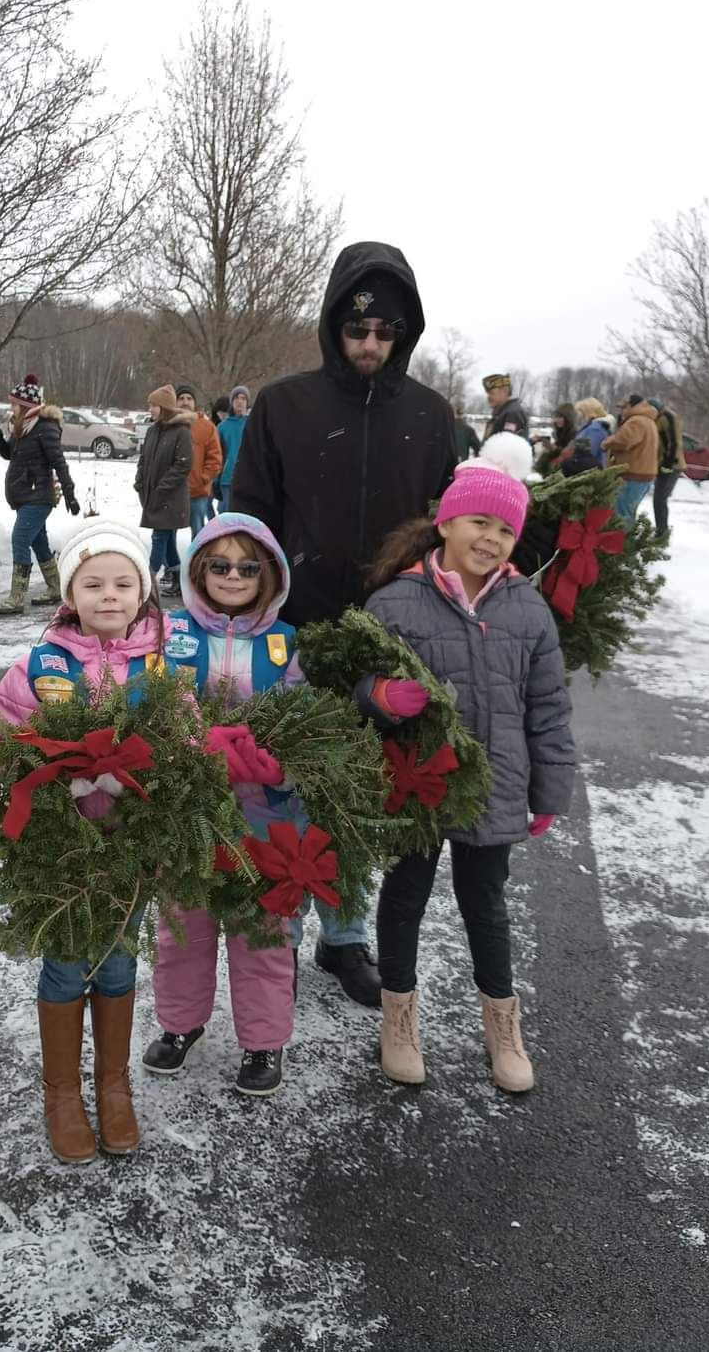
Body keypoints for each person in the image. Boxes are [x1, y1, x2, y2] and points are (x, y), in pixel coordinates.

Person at [231, 240, 457, 1006]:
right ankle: (282, 935)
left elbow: (445, 528)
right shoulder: (283, 405)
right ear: (334, 326)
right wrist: (252, 614)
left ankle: (345, 937)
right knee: (288, 788)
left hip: (390, 644)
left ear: (403, 335)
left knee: (363, 793)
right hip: (293, 631)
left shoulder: (430, 417)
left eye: (384, 335)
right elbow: (249, 520)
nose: (369, 346)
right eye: (356, 331)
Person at [355, 435, 574, 1092]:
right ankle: (399, 1021)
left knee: (487, 902)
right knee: (405, 898)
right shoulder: (393, 602)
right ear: (446, 521)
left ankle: (502, 1027)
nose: (492, 538)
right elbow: (355, 685)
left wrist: (550, 790)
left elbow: (549, 709)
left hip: (497, 785)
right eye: (480, 521)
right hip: (415, 785)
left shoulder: (528, 610)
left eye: (506, 529)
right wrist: (380, 698)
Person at [0, 518, 166, 1163]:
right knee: (65, 963)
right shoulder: (39, 665)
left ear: (142, 592)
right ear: (70, 592)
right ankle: (62, 1093)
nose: (108, 595)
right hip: (61, 849)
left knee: (117, 960)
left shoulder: (162, 667)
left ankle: (114, 1086)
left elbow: (188, 746)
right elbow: (0, 740)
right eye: (93, 584)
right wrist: (56, 779)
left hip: (130, 848)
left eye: (123, 583)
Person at [146, 513, 300, 1096]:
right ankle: (180, 1025)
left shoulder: (287, 644)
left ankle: (263, 1041)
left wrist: (277, 764)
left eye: (247, 566)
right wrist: (190, 746)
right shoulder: (171, 634)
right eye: (219, 565)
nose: (233, 575)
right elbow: (154, 703)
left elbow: (306, 724)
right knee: (183, 927)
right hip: (188, 816)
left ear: (269, 575)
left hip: (265, 822)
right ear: (197, 571)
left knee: (262, 931)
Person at [0, 374, 79, 615]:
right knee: (39, 543)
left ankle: (16, 598)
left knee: (20, 539)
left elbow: (58, 461)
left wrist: (69, 492)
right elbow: (12, 455)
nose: (11, 408)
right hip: (25, 495)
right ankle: (55, 588)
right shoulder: (21, 427)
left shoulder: (44, 428)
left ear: (25, 406)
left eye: (14, 404)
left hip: (38, 496)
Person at [135, 384, 192, 599]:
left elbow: (183, 465)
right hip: (152, 495)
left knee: (159, 537)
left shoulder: (181, 432)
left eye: (154, 405)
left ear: (165, 408)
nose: (150, 409)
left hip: (171, 498)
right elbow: (143, 460)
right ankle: (178, 580)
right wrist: (139, 481)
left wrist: (162, 488)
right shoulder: (152, 431)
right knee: (167, 540)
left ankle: (147, 581)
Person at [602, 395, 659, 529]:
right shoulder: (648, 420)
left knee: (621, 516)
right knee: (628, 513)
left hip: (632, 475)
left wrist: (606, 442)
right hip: (642, 475)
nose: (622, 411)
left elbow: (624, 441)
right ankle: (627, 545)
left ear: (631, 406)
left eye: (623, 407)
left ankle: (622, 547)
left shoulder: (636, 421)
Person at [176, 384, 223, 537]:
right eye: (181, 398)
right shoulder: (168, 425)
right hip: (172, 491)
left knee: (198, 533)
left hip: (197, 492)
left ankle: (196, 560)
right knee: (167, 533)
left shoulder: (207, 427)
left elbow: (215, 458)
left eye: (189, 398)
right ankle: (171, 562)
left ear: (194, 403)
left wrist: (204, 478)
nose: (185, 401)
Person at [649, 397, 685, 538]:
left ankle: (662, 533)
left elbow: (675, 441)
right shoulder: (657, 419)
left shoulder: (668, 417)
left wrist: (668, 463)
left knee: (660, 499)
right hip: (661, 463)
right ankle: (660, 530)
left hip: (671, 465)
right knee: (658, 499)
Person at [217, 386, 251, 512]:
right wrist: (215, 480)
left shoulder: (253, 424)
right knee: (227, 518)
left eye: (243, 398)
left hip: (248, 479)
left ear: (247, 403)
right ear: (232, 402)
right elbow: (217, 456)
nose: (240, 401)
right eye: (236, 398)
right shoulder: (222, 427)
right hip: (228, 478)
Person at [533, 402, 577, 476]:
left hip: (564, 469)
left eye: (560, 417)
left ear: (568, 418)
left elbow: (569, 454)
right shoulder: (559, 432)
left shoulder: (574, 433)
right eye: (556, 417)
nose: (557, 420)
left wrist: (554, 448)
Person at [482, 374, 530, 440]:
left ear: (505, 391)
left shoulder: (512, 413)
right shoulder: (501, 413)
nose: (488, 397)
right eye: (488, 394)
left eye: (492, 393)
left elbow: (507, 445)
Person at [571, 398, 612, 468]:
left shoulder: (595, 429)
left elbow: (590, 452)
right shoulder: (591, 427)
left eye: (580, 411)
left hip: (591, 470)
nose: (579, 415)